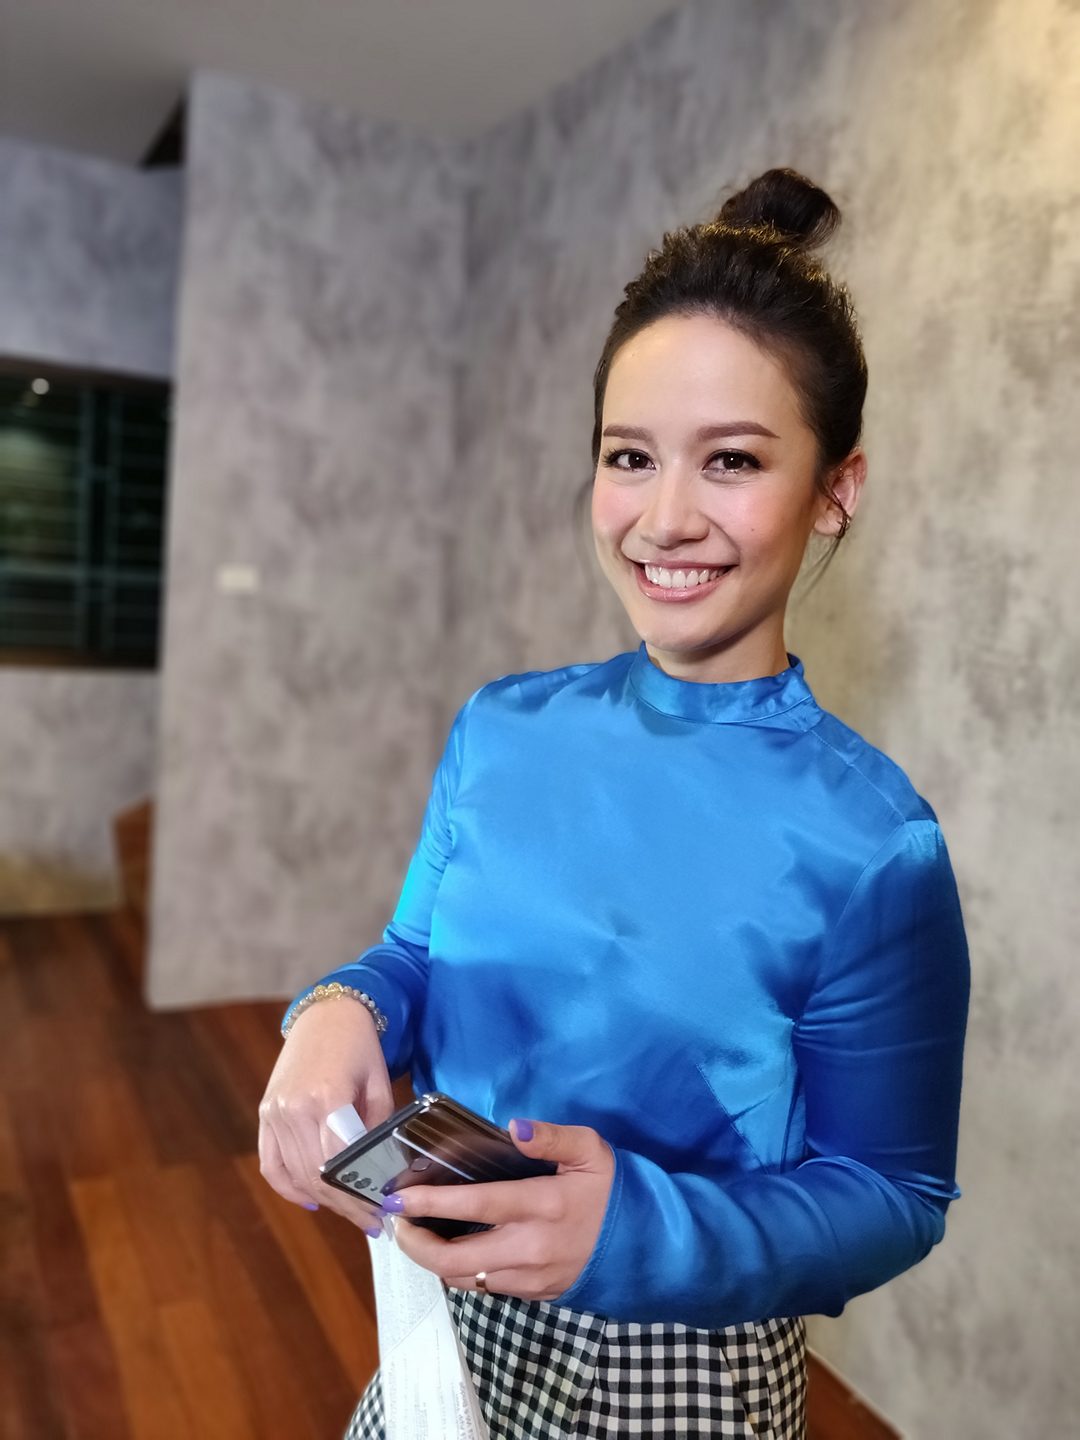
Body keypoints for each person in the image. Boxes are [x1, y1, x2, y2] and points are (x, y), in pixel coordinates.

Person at [258, 167, 970, 1440]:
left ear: (836, 490)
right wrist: (336, 1013)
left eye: (733, 461)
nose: (665, 518)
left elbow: (894, 1192)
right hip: (440, 1306)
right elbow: (416, 955)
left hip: (683, 1363)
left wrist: (641, 1230)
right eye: (629, 456)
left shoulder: (876, 844)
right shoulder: (501, 729)